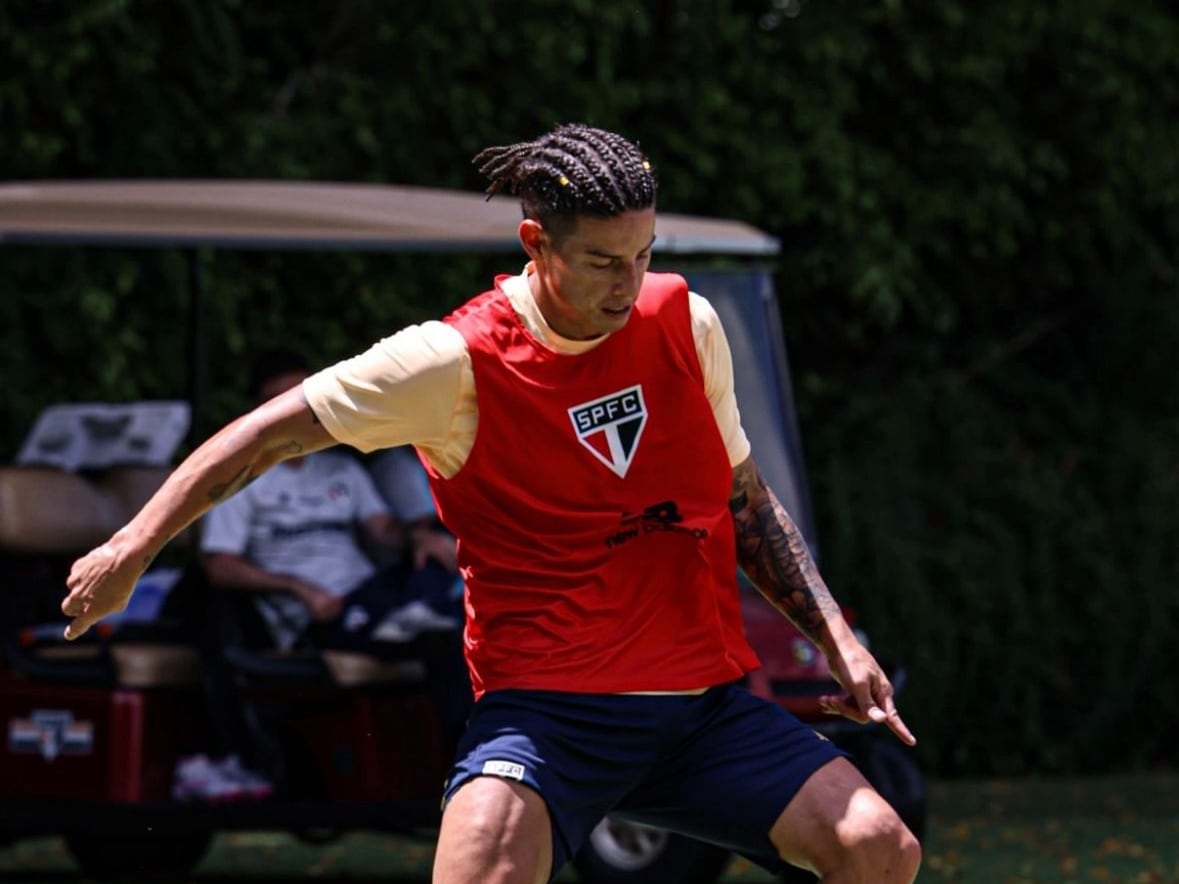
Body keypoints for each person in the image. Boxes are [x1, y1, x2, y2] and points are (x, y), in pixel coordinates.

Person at [62, 123, 921, 883]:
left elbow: (743, 501)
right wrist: (130, 548)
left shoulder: (685, 323)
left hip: (702, 710)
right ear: (534, 242)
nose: (628, 287)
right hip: (548, 716)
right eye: (600, 262)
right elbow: (263, 435)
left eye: (643, 256)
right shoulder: (450, 363)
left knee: (880, 848)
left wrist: (835, 639)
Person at [199, 350, 458, 652]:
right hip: (321, 611)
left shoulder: (342, 470)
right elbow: (219, 566)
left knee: (442, 536)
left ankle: (416, 613)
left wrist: (417, 537)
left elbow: (383, 530)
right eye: (283, 404)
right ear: (259, 412)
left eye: (305, 401)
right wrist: (297, 588)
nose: (298, 413)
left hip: (372, 590)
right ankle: (415, 619)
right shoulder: (242, 481)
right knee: (447, 643)